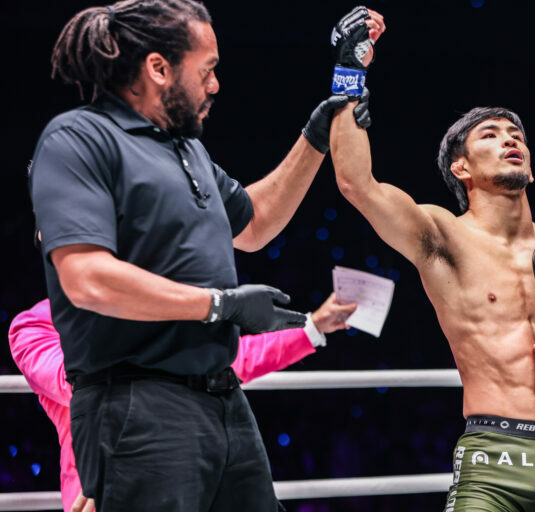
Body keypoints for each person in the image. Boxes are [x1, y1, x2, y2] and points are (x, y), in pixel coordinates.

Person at [28, 1, 374, 509]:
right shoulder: (79, 137)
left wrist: (315, 135)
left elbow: (255, 224)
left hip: (222, 399)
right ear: (158, 69)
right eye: (207, 70)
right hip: (135, 404)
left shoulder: (187, 151)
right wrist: (220, 305)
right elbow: (86, 277)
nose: (215, 85)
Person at [327, 10, 535, 511]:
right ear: (461, 168)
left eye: (516, 134)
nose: (510, 139)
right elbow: (357, 184)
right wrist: (350, 72)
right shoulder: (445, 238)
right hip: (491, 459)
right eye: (491, 135)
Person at [8, 294, 355, 512]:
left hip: (195, 473)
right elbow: (79, 381)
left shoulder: (157, 307)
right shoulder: (35, 324)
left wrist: (311, 327)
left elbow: (231, 359)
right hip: (107, 486)